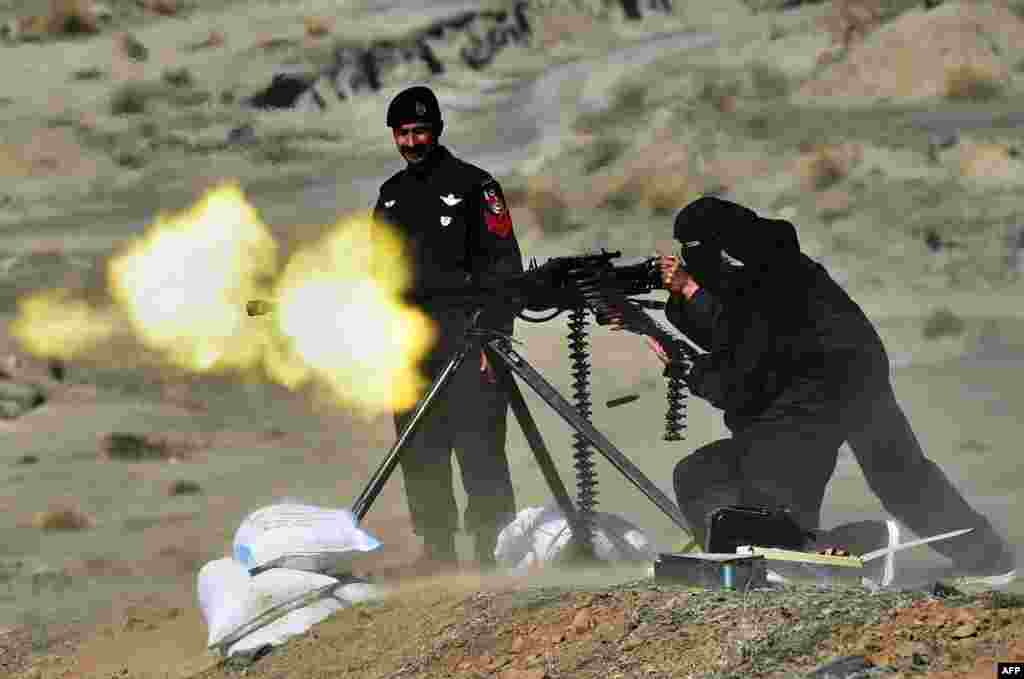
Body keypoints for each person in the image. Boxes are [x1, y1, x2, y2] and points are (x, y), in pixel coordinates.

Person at [646, 195, 1015, 586]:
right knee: (901, 476)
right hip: (854, 374)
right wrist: (679, 303)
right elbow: (731, 333)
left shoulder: (766, 278)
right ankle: (988, 560)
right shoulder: (767, 264)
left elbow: (741, 362)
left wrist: (687, 351)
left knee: (767, 496)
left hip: (816, 391)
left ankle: (845, 556)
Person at [370, 85, 523, 574]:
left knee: (479, 449)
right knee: (419, 449)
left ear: (436, 130)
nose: (411, 142)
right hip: (412, 347)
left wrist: (492, 336)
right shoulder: (390, 197)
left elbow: (505, 267)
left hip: (471, 340)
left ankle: (492, 553)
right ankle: (437, 553)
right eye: (403, 134)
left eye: (419, 131)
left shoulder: (477, 186)